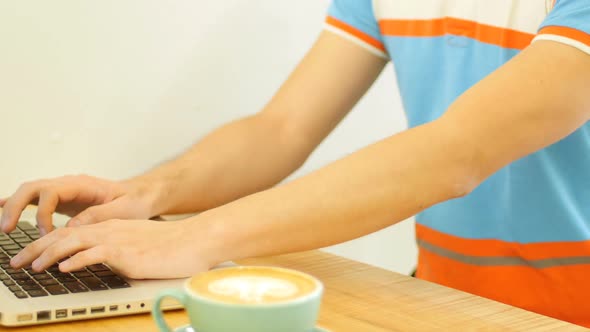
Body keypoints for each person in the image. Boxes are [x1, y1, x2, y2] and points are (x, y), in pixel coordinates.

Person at [1, 0, 589, 327]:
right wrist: (145, 194)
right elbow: (281, 129)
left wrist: (194, 239)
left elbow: (458, 151)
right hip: (446, 301)